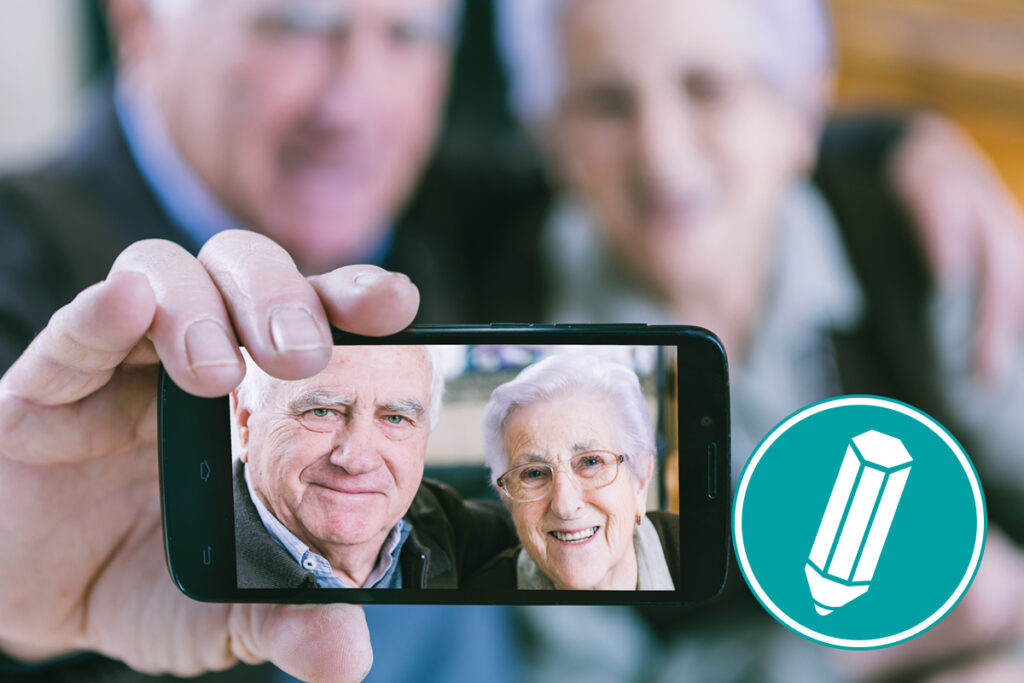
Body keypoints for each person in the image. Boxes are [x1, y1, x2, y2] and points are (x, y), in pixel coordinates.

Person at [497, 0, 1024, 680]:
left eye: (707, 87)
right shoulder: (515, 355)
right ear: (552, 141)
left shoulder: (915, 235)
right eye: (606, 103)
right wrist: (862, 643)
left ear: (802, 110)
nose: (661, 150)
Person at [0, 0, 525, 680]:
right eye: (299, 25)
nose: (351, 104)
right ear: (139, 20)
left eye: (410, 34)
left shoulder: (499, 222)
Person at [231, 344, 515, 589]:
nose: (357, 461)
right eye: (322, 412)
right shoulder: (196, 572)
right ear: (246, 423)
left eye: (395, 418)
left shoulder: (458, 530)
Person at [470, 353, 678, 591]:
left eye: (590, 462)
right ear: (507, 498)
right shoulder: (479, 601)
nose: (564, 505)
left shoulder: (711, 560)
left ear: (640, 480)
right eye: (534, 474)